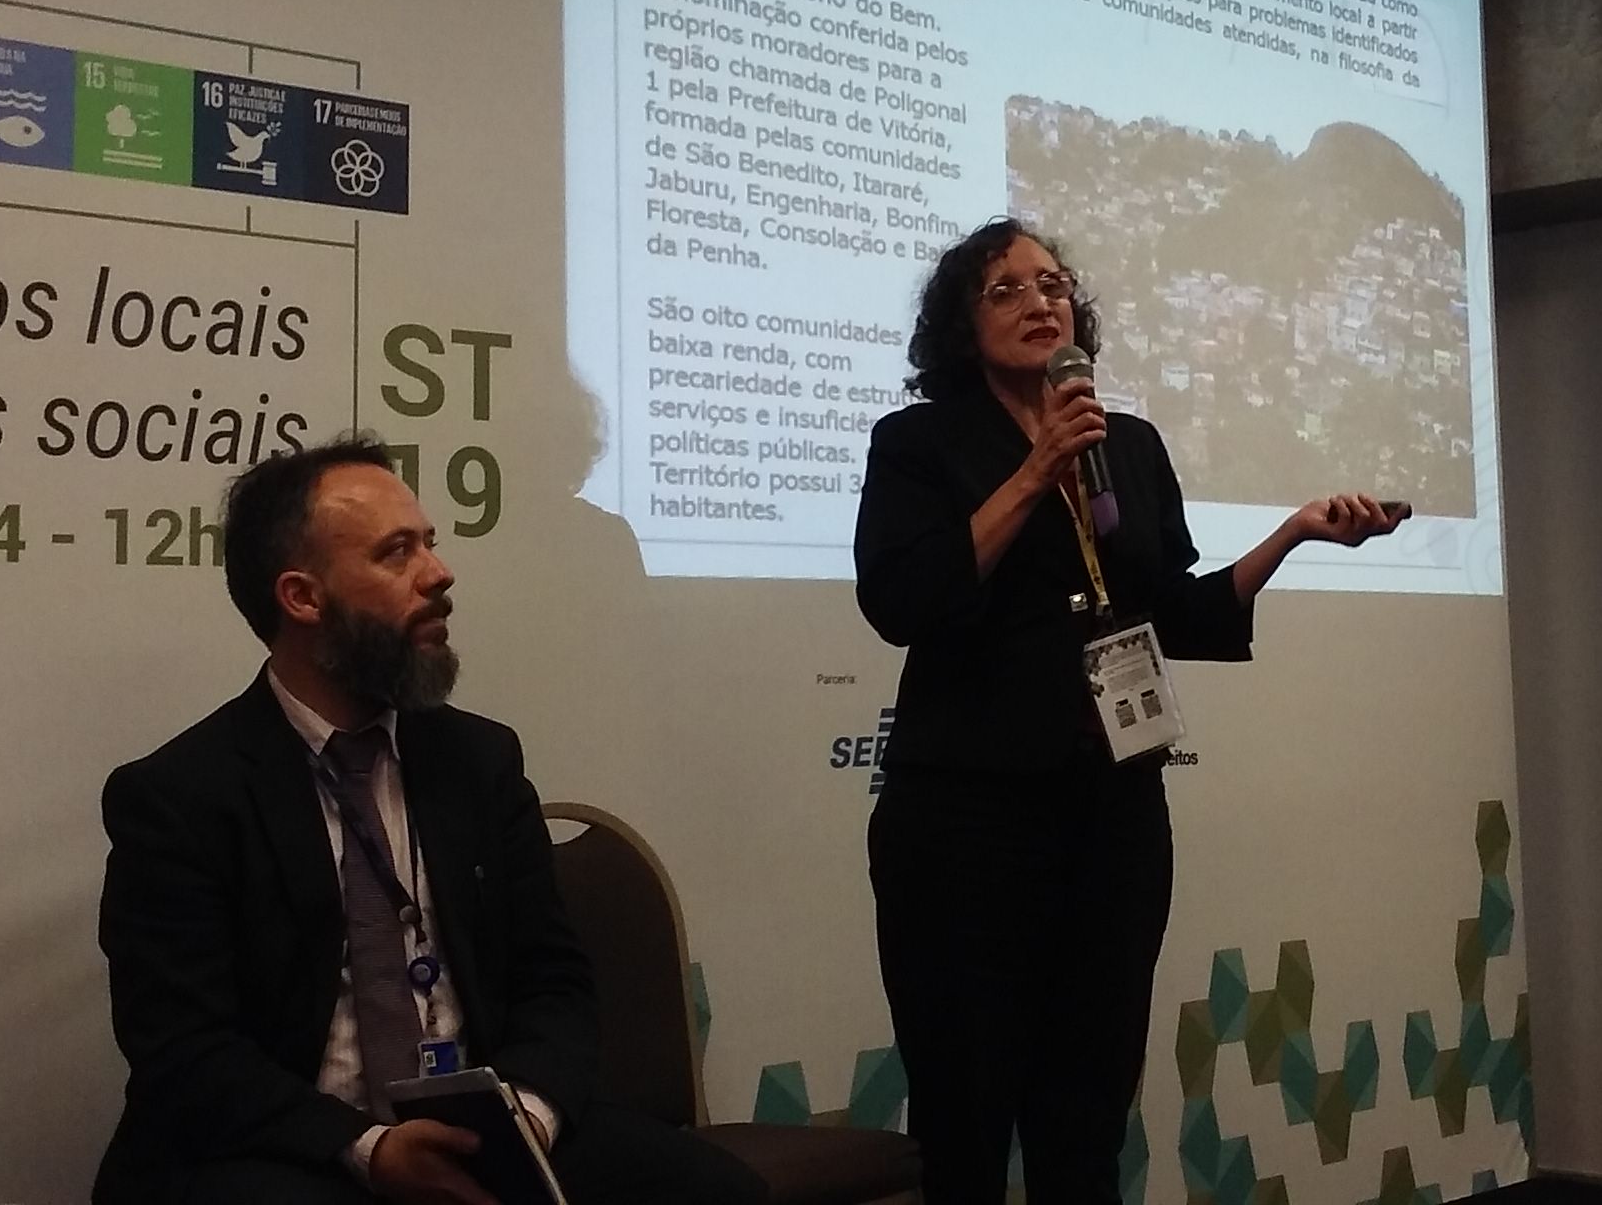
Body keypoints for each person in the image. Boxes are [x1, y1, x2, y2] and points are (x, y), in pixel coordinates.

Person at [853, 220, 1401, 1205]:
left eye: (1053, 284)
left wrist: (1293, 536)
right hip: (967, 825)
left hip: (1112, 814)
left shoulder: (1129, 445)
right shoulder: (920, 443)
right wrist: (1036, 472)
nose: (1040, 303)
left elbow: (1171, 609)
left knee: (1086, 1118)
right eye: (1007, 289)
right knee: (965, 1120)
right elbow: (905, 600)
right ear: (962, 323)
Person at [94, 435, 768, 1205]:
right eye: (397, 553)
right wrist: (371, 1149)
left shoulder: (478, 761)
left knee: (717, 1192)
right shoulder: (181, 796)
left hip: (485, 1132)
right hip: (294, 1148)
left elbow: (554, 982)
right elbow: (184, 1052)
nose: (439, 573)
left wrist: (529, 1119)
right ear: (303, 598)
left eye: (431, 544)